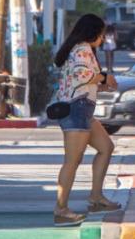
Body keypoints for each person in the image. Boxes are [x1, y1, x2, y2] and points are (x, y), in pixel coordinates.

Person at [52, 14, 121, 227]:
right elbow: (83, 75)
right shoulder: (82, 49)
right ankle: (61, 210)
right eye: (101, 35)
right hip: (76, 109)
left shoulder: (82, 49)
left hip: (83, 110)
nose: (101, 40)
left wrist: (101, 83)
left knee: (106, 147)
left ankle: (96, 197)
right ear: (92, 33)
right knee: (72, 161)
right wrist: (104, 78)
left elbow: (81, 80)